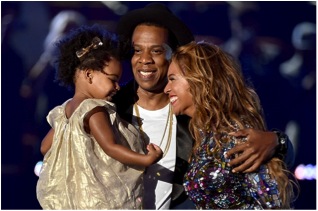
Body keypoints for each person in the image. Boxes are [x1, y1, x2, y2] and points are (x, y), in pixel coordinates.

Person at [114, 3, 295, 209]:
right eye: (137, 50)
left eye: (156, 50)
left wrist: (277, 141)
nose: (145, 60)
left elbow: (270, 179)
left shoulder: (192, 116)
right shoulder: (111, 108)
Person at [36, 24, 163, 209]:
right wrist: (145, 159)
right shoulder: (94, 109)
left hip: (74, 196)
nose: (118, 87)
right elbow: (111, 146)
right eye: (113, 79)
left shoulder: (64, 111)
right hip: (98, 196)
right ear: (89, 75)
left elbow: (44, 147)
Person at [164, 41, 298, 209]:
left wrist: (278, 140)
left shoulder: (238, 135)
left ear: (198, 79)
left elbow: (272, 204)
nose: (166, 89)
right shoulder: (205, 136)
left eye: (172, 79)